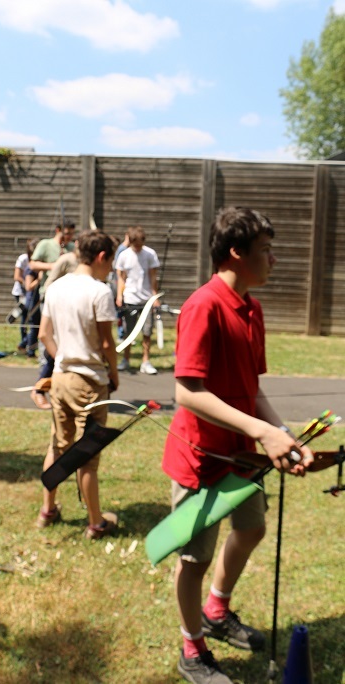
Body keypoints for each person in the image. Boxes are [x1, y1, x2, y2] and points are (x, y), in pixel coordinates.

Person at [161, 206, 313, 684]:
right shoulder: (203, 306)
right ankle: (192, 649)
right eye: (265, 250)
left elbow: (253, 388)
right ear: (236, 253)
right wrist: (262, 432)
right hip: (201, 458)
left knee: (251, 529)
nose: (274, 259)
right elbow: (187, 392)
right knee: (195, 559)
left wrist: (282, 433)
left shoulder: (252, 308)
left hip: (242, 456)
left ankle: (216, 609)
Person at [36, 230, 119, 540]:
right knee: (87, 454)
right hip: (90, 382)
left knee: (58, 446)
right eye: (110, 262)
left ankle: (47, 510)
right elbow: (107, 343)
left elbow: (44, 334)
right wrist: (114, 373)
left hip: (60, 379)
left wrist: (62, 359)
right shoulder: (99, 291)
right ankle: (96, 523)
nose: (111, 269)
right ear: (101, 257)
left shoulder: (56, 287)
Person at [28, 219, 76, 409]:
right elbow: (33, 264)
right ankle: (41, 384)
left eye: (71, 234)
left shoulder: (71, 248)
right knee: (48, 339)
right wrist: (55, 265)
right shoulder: (46, 244)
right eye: (66, 233)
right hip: (49, 297)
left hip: (69, 299)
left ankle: (54, 385)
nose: (69, 237)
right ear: (58, 230)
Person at [115, 225, 160, 374]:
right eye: (136, 245)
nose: (138, 247)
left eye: (140, 244)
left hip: (146, 299)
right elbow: (121, 278)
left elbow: (153, 277)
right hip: (130, 298)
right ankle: (126, 360)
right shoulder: (124, 255)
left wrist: (155, 296)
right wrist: (119, 295)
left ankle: (145, 361)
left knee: (147, 331)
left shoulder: (150, 254)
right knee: (128, 332)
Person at [11, 247, 29, 352]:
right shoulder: (23, 258)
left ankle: (25, 343)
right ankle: (23, 343)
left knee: (31, 319)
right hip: (20, 293)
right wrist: (27, 283)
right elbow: (17, 277)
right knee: (25, 317)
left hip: (30, 292)